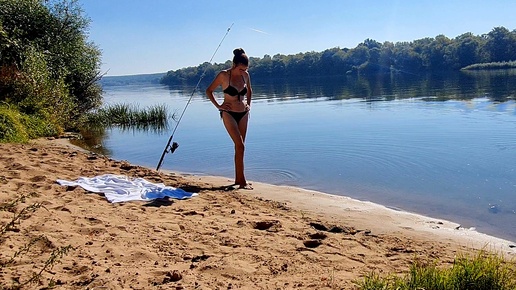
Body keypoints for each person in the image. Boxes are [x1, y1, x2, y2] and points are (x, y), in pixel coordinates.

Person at [206, 48, 253, 190]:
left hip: (243, 113)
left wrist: (249, 105)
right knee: (240, 145)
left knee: (240, 148)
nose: (243, 71)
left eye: (245, 69)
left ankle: (238, 179)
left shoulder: (246, 76)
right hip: (229, 113)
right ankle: (243, 182)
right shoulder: (223, 75)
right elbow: (209, 91)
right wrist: (219, 106)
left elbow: (250, 90)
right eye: (240, 69)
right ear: (234, 65)